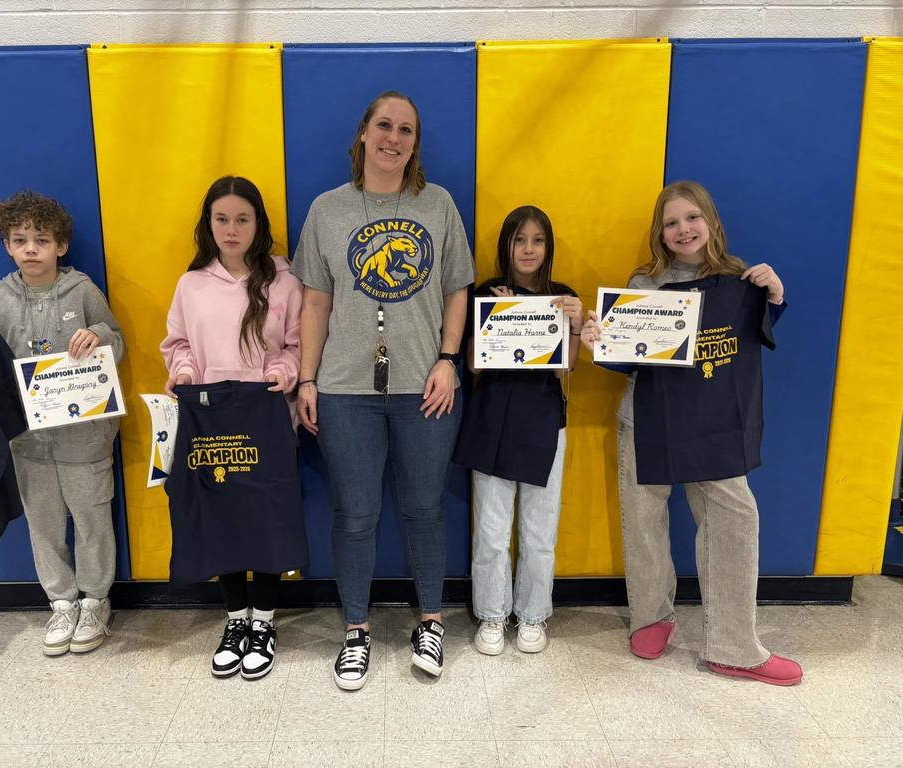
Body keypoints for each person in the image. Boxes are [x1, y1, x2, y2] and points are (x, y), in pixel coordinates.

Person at [580, 180, 801, 685]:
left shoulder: (740, 278)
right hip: (647, 419)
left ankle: (733, 645)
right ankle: (651, 616)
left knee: (735, 518)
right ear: (660, 233)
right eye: (671, 222)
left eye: (692, 218)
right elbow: (627, 360)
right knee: (643, 521)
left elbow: (757, 335)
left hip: (713, 427)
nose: (683, 229)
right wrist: (598, 343)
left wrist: (775, 294)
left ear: (711, 222)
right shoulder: (646, 283)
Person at [292, 91, 475, 690]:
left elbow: (455, 290)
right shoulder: (327, 210)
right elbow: (315, 301)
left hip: (426, 384)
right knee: (355, 514)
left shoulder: (438, 205)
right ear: (363, 133)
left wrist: (449, 359)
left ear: (415, 143)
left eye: (406, 130)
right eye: (384, 126)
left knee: (424, 508)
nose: (393, 138)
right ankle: (355, 630)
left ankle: (429, 620)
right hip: (345, 388)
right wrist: (308, 378)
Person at [0, 190, 125, 656]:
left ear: (60, 246)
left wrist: (98, 335)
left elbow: (117, 340)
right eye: (20, 239)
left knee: (91, 518)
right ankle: (62, 602)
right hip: (28, 438)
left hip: (84, 435)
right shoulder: (0, 296)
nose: (30, 248)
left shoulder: (82, 289)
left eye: (41, 240)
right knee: (44, 522)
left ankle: (96, 601)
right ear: (7, 245)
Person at [161, 175, 306, 681]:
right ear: (208, 224)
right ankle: (235, 619)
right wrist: (182, 372)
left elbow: (297, 347)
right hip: (210, 420)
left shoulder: (284, 281)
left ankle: (264, 622)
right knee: (221, 513)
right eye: (221, 219)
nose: (231, 229)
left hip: (265, 417)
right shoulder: (191, 283)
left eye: (242, 219)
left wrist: (281, 374)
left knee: (263, 515)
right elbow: (177, 342)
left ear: (258, 224)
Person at [452, 206, 582, 656]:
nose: (528, 249)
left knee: (539, 529)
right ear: (506, 245)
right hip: (491, 417)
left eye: (537, 240)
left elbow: (566, 369)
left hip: (544, 419)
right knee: (490, 530)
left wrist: (578, 325)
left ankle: (532, 615)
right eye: (519, 239)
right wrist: (497, 316)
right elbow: (470, 363)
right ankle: (491, 615)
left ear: (548, 248)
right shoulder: (486, 293)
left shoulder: (562, 297)